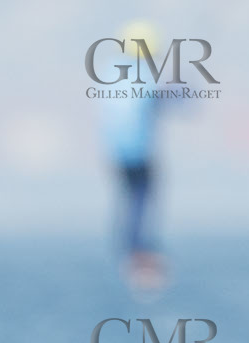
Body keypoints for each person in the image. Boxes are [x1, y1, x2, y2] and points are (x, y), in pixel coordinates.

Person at [103, 21, 171, 291]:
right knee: (142, 202)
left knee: (128, 203)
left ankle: (128, 251)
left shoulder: (111, 72)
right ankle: (140, 255)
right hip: (140, 152)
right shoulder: (146, 74)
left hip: (116, 153)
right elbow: (161, 101)